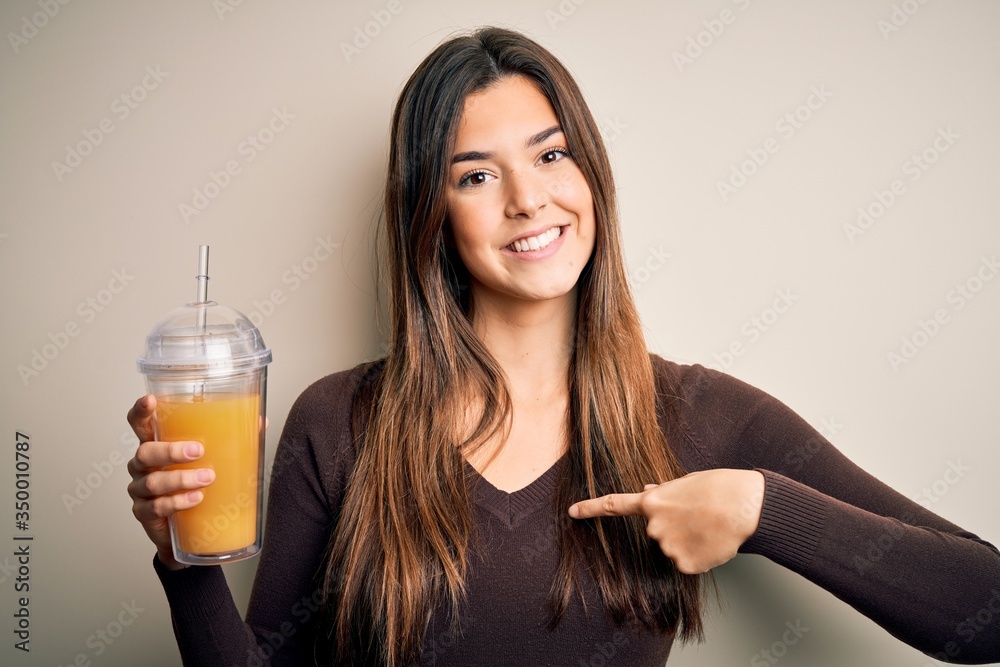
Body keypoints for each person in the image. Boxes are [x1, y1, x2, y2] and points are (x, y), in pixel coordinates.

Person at [126, 26, 1000, 666]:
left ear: (591, 177)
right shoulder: (337, 421)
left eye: (550, 156)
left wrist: (766, 507)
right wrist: (184, 558)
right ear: (431, 218)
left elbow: (985, 607)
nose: (526, 199)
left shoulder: (702, 418)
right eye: (476, 174)